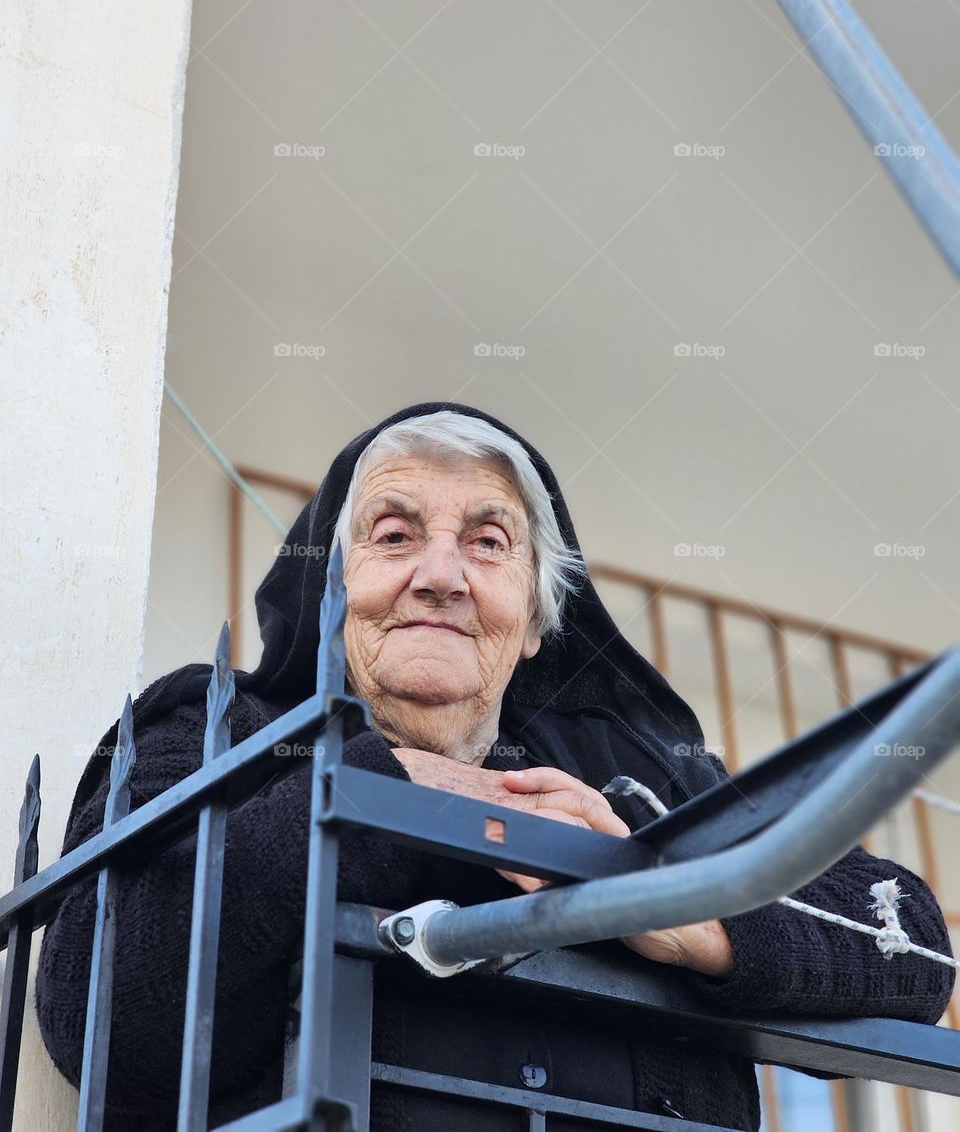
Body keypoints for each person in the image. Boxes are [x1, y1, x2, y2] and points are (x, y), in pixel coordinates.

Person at [35, 402, 955, 1130]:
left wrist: (668, 899)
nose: (441, 574)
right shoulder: (216, 730)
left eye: (487, 542)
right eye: (393, 536)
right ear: (332, 595)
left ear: (536, 622)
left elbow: (912, 946)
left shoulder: (641, 780)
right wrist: (381, 793)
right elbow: (103, 1015)